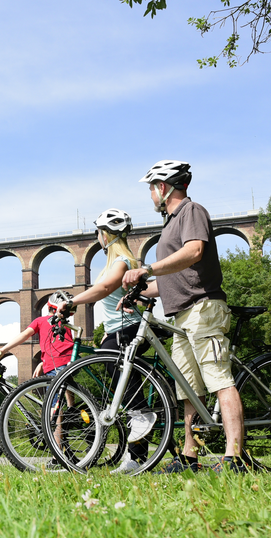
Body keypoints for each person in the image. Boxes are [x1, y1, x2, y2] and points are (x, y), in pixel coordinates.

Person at [122, 160, 246, 473]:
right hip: (181, 315)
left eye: (151, 188)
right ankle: (190, 458)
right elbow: (171, 280)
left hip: (203, 308)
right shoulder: (171, 223)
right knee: (188, 390)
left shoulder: (192, 212)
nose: (150, 194)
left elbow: (194, 252)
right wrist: (141, 291)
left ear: (162, 187)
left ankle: (235, 457)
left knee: (219, 379)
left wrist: (146, 268)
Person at [55, 208, 156, 473]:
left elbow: (104, 288)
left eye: (99, 233)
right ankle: (135, 459)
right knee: (122, 385)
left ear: (105, 235)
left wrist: (71, 301)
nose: (98, 238)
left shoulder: (121, 259)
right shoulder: (118, 260)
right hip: (116, 329)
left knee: (117, 371)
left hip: (127, 328)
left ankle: (143, 415)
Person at [0, 292, 74, 378]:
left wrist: (4, 349)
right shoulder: (66, 324)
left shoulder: (40, 321)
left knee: (57, 390)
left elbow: (25, 334)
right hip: (72, 361)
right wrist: (43, 363)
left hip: (55, 364)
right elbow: (62, 347)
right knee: (67, 387)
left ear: (49, 307)